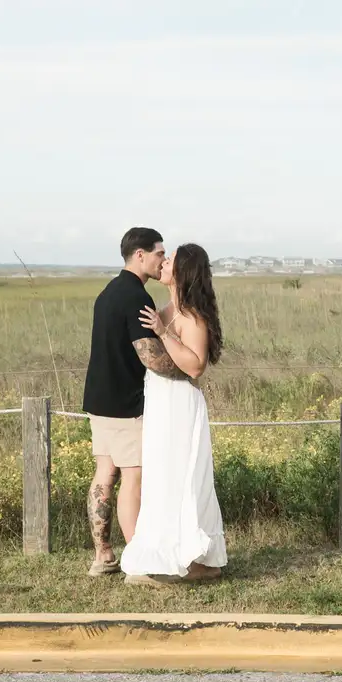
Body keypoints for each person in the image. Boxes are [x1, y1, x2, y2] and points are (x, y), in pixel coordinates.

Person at [120, 243, 227, 583]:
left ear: (183, 272)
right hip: (161, 402)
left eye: (170, 259)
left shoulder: (193, 316)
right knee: (161, 477)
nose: (163, 263)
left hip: (180, 405)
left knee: (182, 478)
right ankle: (167, 552)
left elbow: (195, 366)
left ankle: (198, 559)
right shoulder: (167, 308)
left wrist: (164, 332)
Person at [82, 227, 166, 575]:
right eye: (160, 253)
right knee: (135, 477)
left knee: (105, 473)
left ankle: (102, 555)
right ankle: (137, 558)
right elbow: (150, 357)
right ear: (141, 255)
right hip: (127, 402)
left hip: (99, 398)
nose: (164, 260)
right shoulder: (136, 298)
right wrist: (188, 364)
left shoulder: (108, 293)